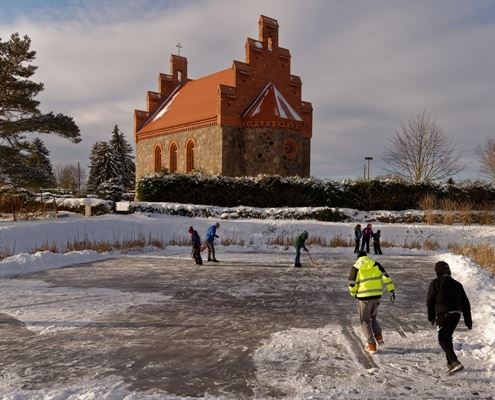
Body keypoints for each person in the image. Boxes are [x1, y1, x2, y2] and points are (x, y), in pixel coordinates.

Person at [427, 261, 472, 375]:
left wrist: (431, 316)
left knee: (442, 339)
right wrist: (468, 320)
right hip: (456, 314)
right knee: (447, 338)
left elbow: (430, 300)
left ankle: (454, 362)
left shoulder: (436, 283)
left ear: (438, 271)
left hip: (443, 314)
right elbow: (466, 303)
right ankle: (451, 364)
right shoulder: (457, 284)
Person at [348, 251, 396, 353]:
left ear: (358, 257)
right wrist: (391, 290)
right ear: (366, 256)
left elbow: (352, 283)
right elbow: (386, 277)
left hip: (364, 298)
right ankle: (379, 338)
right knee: (373, 318)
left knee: (365, 321)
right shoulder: (375, 264)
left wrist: (354, 294)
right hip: (376, 297)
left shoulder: (356, 266)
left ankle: (371, 345)